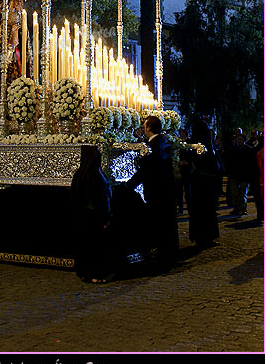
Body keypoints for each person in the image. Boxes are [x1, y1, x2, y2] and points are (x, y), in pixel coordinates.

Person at [124, 115, 179, 268]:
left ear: (148, 128)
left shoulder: (153, 145)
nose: (143, 128)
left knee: (160, 223)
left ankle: (163, 257)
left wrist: (129, 185)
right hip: (165, 189)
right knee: (167, 223)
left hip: (156, 190)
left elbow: (146, 170)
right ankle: (169, 254)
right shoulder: (162, 140)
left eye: (144, 126)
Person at [71, 145, 113, 283]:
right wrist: (106, 217)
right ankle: (96, 274)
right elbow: (102, 197)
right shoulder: (96, 176)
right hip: (94, 216)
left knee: (85, 246)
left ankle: (84, 272)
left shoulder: (79, 174)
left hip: (83, 216)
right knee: (96, 247)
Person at [181, 120, 220, 249]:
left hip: (198, 182)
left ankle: (200, 237)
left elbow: (191, 160)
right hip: (208, 183)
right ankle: (208, 237)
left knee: (199, 211)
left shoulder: (194, 144)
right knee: (208, 211)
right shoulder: (208, 144)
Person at [226, 133, 252, 216]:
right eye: (238, 139)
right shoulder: (232, 149)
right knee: (235, 193)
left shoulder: (249, 150)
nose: (239, 141)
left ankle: (243, 208)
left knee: (243, 193)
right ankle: (237, 208)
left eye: (240, 139)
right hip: (235, 174)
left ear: (244, 140)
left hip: (245, 175)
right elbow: (229, 162)